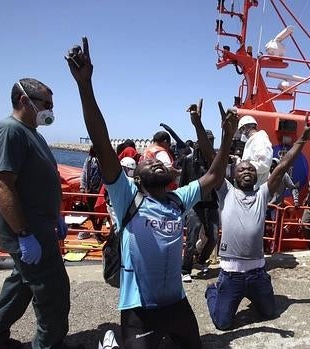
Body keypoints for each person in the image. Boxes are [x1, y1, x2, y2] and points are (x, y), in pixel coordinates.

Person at [66, 37, 238, 348]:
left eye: (159, 161)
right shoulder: (126, 194)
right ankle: (111, 342)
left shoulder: (177, 199)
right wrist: (84, 86)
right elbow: (101, 140)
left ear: (172, 174)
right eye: (146, 160)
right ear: (138, 175)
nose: (153, 161)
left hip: (175, 303)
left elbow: (213, 175)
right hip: (139, 308)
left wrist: (226, 138)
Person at [0, 78, 72, 349]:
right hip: (30, 232)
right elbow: (2, 185)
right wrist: (24, 234)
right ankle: (48, 344)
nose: (50, 110)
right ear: (24, 101)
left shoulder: (34, 134)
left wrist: (58, 214)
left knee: (22, 283)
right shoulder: (9, 131)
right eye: (46, 104)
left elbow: (45, 179)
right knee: (53, 293)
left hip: (42, 227)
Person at [205, 115, 310, 330]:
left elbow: (282, 166)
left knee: (270, 313)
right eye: (241, 169)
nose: (246, 171)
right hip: (231, 275)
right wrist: (201, 125)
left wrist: (302, 139)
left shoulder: (263, 194)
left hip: (257, 273)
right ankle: (212, 290)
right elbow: (212, 160)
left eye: (251, 170)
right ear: (233, 177)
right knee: (223, 324)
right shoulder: (226, 192)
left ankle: (257, 292)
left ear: (257, 177)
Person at [179, 114, 220, 282]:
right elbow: (183, 183)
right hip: (195, 204)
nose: (208, 143)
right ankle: (185, 269)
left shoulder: (215, 160)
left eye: (211, 140)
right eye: (206, 140)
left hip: (211, 203)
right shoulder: (189, 160)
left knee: (214, 237)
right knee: (193, 237)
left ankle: (202, 260)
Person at [238, 115, 273, 188]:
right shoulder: (253, 140)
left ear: (244, 128)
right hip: (253, 188)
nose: (242, 134)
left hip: (259, 188)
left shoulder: (260, 139)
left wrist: (241, 165)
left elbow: (264, 164)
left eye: (241, 131)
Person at [80, 145, 103, 228]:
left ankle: (99, 228)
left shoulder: (102, 160)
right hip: (90, 188)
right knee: (91, 210)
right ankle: (95, 227)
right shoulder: (88, 160)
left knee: (99, 209)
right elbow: (84, 173)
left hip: (99, 189)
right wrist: (82, 186)